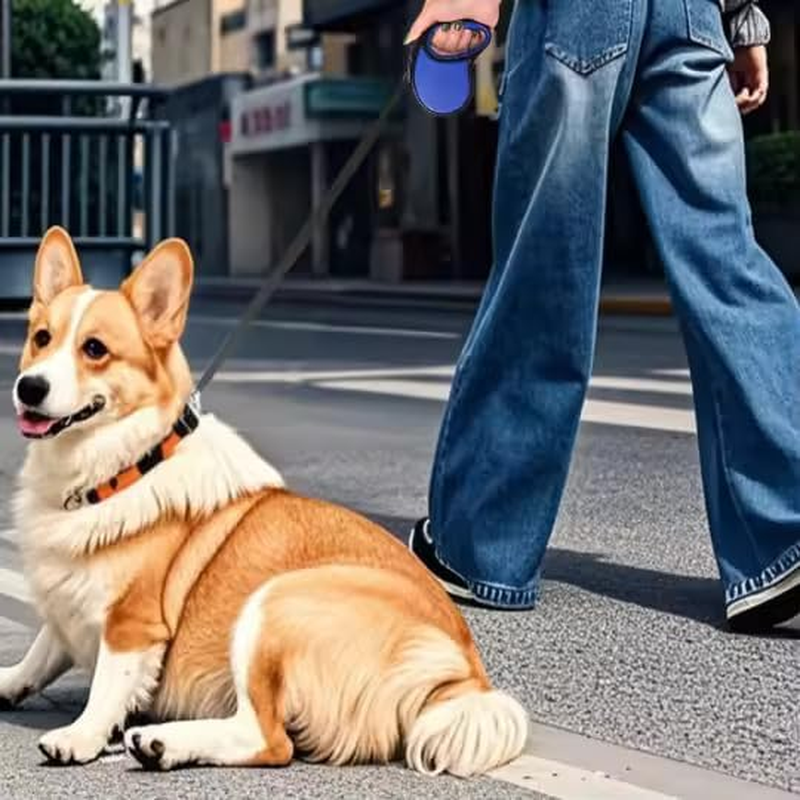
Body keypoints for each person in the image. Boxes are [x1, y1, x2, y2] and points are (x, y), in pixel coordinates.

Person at [404, 0, 800, 633]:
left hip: (577, 15)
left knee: (546, 265)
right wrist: (745, 18)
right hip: (691, 16)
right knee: (726, 258)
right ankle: (788, 534)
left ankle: (484, 548)